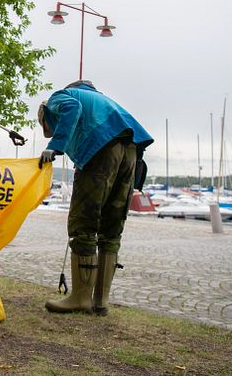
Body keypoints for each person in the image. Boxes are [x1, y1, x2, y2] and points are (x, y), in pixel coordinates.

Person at [38, 80, 153, 316]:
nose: (47, 129)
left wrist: (56, 145)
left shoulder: (59, 98)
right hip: (130, 150)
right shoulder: (101, 101)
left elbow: (71, 110)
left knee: (83, 222)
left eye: (46, 126)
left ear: (45, 116)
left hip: (102, 150)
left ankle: (81, 298)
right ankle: (100, 301)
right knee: (112, 226)